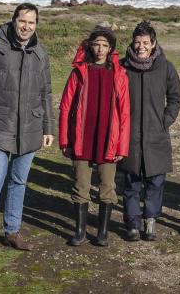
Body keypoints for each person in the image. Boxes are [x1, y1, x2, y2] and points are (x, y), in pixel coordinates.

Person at [0, 3, 55, 260]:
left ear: (36, 25)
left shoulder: (41, 54)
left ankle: (12, 231)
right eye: (23, 21)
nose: (26, 27)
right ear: (13, 20)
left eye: (32, 22)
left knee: (19, 182)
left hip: (30, 127)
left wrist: (48, 127)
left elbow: (46, 94)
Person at [59, 26, 130, 247]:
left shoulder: (119, 74)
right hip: (81, 138)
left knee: (107, 187)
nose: (100, 49)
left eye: (105, 45)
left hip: (108, 139)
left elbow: (125, 112)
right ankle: (79, 231)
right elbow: (65, 107)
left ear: (111, 49)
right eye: (97, 44)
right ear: (90, 45)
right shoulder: (79, 71)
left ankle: (103, 232)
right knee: (81, 185)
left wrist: (122, 146)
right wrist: (64, 140)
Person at [119, 21, 180, 242]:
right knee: (131, 182)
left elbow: (175, 96)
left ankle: (151, 220)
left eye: (146, 42)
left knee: (156, 182)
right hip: (130, 136)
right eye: (137, 42)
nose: (141, 47)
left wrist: (166, 120)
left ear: (153, 43)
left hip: (157, 135)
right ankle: (132, 224)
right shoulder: (122, 67)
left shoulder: (165, 66)